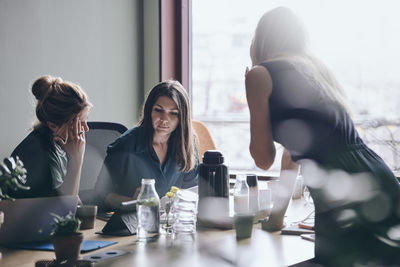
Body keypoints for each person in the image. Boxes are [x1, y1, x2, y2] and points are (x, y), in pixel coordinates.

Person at [245, 7, 400, 266]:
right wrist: (276, 217)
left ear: (262, 38)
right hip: (376, 179)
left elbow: (262, 159)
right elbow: (292, 156)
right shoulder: (316, 70)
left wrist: (253, 99)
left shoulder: (260, 74)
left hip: (344, 193)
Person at [95, 80, 198, 210]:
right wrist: (134, 202)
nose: (164, 119)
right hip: (134, 222)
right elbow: (101, 195)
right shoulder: (125, 145)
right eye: (159, 110)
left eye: (173, 113)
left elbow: (191, 191)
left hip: (172, 222)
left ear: (182, 117)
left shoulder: (187, 144)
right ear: (150, 110)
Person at [11, 75, 92, 198]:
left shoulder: (58, 145)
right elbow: (63, 210)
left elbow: (75, 203)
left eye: (86, 120)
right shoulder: (38, 153)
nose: (86, 128)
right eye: (77, 123)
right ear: (53, 125)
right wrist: (76, 160)